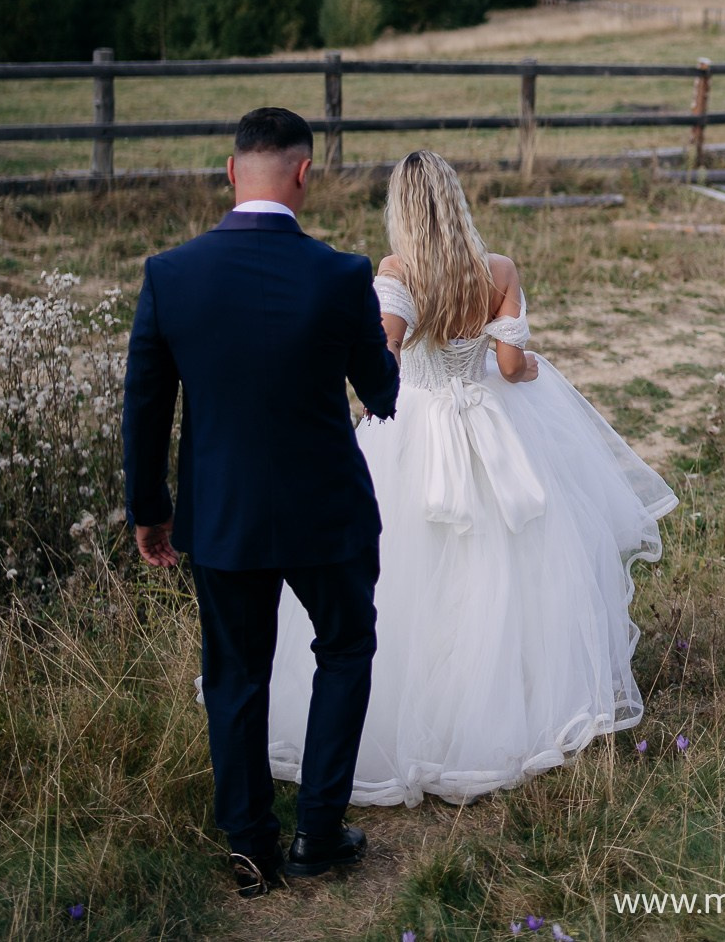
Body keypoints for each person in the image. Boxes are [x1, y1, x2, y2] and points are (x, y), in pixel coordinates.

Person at [264, 148, 676, 808]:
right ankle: (511, 708)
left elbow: (383, 358)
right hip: (490, 428)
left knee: (405, 576)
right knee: (506, 570)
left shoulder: (398, 274)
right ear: (456, 203)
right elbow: (511, 366)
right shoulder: (497, 271)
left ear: (402, 210)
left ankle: (414, 719)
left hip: (416, 433)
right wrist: (526, 368)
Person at [122, 107, 398, 898]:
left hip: (223, 516)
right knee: (344, 652)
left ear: (230, 169)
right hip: (327, 515)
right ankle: (317, 831)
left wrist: (151, 509)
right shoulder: (342, 276)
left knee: (236, 675)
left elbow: (144, 405)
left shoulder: (170, 275)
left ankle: (250, 849)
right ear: (305, 174)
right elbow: (379, 393)